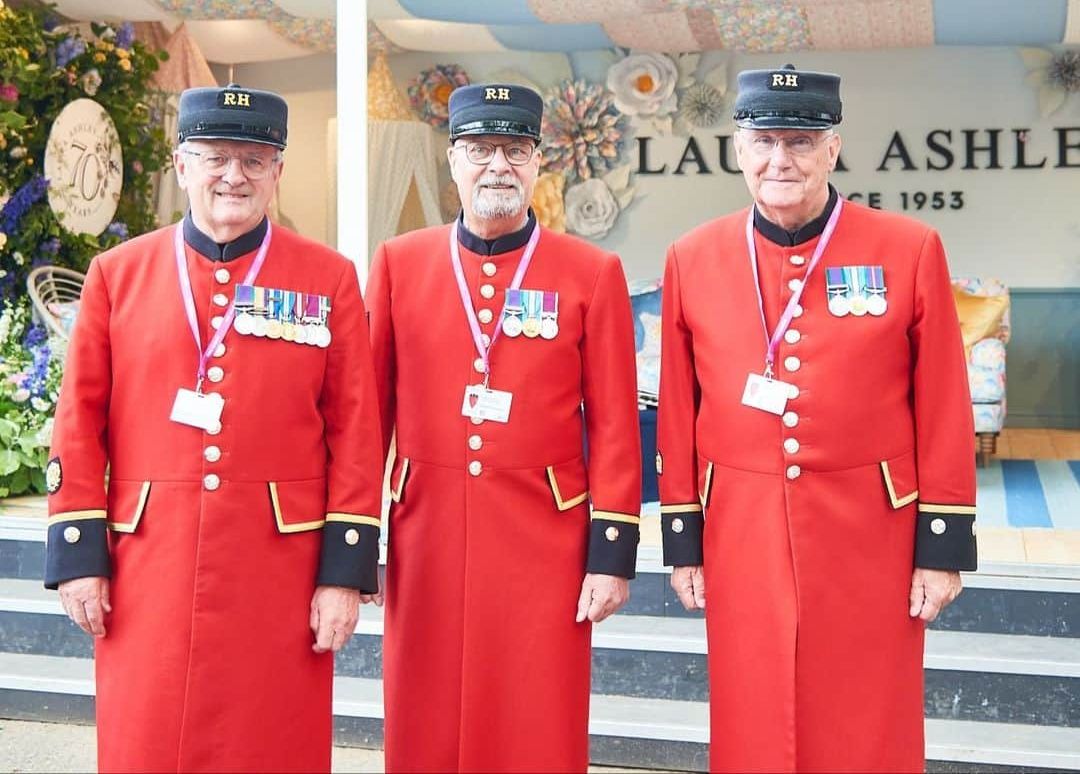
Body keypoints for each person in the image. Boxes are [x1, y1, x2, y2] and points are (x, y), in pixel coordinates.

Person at [44, 84, 384, 773]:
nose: (234, 175)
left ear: (278, 172)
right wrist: (80, 556)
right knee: (148, 731)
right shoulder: (118, 274)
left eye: (255, 160)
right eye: (215, 157)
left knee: (272, 737)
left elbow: (355, 429)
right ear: (182, 165)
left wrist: (343, 572)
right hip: (149, 562)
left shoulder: (329, 278)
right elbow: (78, 418)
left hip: (279, 569)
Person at [657, 64, 977, 773]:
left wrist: (944, 543)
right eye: (765, 140)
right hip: (741, 528)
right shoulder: (693, 256)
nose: (781, 160)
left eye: (801, 141)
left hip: (874, 529)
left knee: (868, 705)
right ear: (738, 149)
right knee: (752, 702)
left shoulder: (909, 248)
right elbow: (680, 407)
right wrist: (683, 536)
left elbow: (945, 401)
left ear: (832, 149)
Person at [367, 82, 642, 773]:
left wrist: (610, 553)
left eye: (515, 150)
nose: (498, 166)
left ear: (538, 161)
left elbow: (613, 422)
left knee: (535, 706)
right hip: (424, 525)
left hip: (544, 532)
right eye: (482, 149)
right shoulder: (401, 263)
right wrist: (352, 537)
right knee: (423, 700)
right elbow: (366, 411)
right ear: (453, 161)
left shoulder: (592, 271)